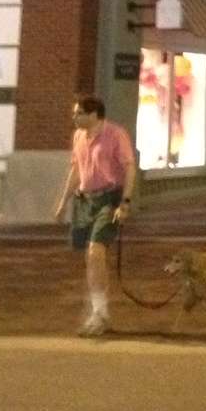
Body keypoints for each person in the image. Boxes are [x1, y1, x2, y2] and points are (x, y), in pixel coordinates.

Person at [52, 94, 138, 338]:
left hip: (109, 198)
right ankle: (99, 310)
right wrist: (63, 202)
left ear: (93, 114)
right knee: (91, 259)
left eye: (78, 113)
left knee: (95, 250)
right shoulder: (79, 136)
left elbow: (130, 168)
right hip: (85, 200)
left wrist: (126, 202)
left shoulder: (115, 134)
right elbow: (76, 169)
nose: (74, 118)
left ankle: (99, 313)